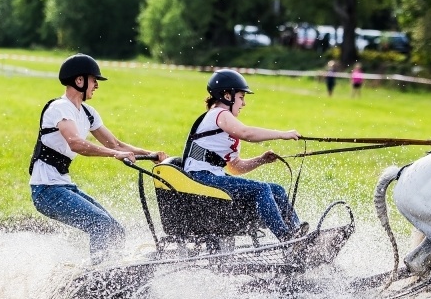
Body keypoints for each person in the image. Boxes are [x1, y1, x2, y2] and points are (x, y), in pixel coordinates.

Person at [29, 53, 167, 264]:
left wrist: (151, 155)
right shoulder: (59, 108)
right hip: (46, 190)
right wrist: (115, 155)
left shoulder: (88, 113)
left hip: (63, 186)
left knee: (116, 230)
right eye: (94, 80)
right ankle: (99, 277)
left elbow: (116, 144)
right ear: (79, 80)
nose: (96, 85)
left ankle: (116, 273)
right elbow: (76, 143)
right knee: (100, 224)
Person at [182, 69, 308, 241]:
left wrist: (261, 160)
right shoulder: (220, 113)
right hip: (199, 177)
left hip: (211, 176)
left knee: (276, 189)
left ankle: (298, 236)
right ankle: (287, 239)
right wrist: (282, 134)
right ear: (227, 96)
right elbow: (247, 133)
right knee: (261, 188)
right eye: (241, 97)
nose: (244, 104)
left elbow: (235, 167)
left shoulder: (224, 127)